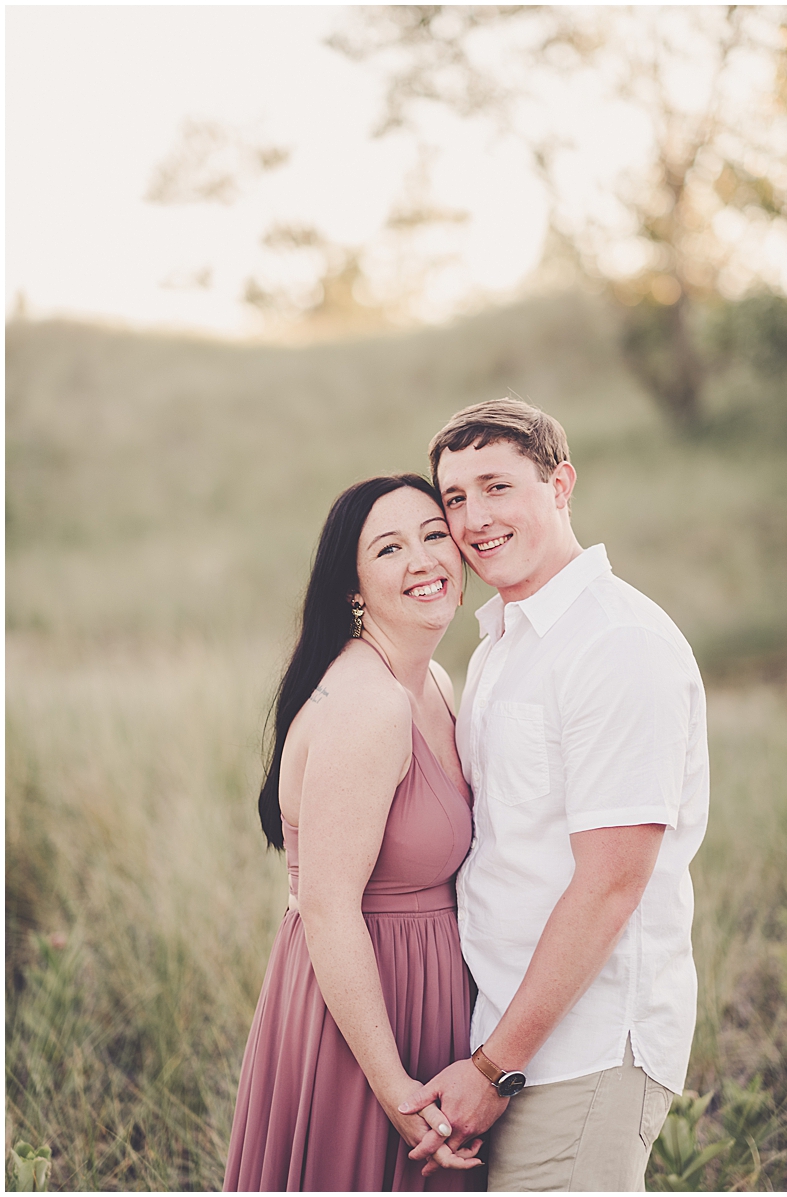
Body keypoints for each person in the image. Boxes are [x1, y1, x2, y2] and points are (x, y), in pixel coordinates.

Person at [398, 398, 709, 1191]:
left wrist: (494, 1067)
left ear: (561, 482)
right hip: (512, 1038)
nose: (474, 517)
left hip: (579, 1052)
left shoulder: (618, 644)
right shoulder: (506, 638)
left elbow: (610, 886)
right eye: (456, 498)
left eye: (497, 486)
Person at [226, 474, 486, 1190]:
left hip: (427, 992)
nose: (425, 559)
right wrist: (395, 1085)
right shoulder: (368, 705)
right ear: (354, 587)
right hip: (365, 1019)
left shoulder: (434, 681)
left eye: (435, 535)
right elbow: (329, 906)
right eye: (391, 547)